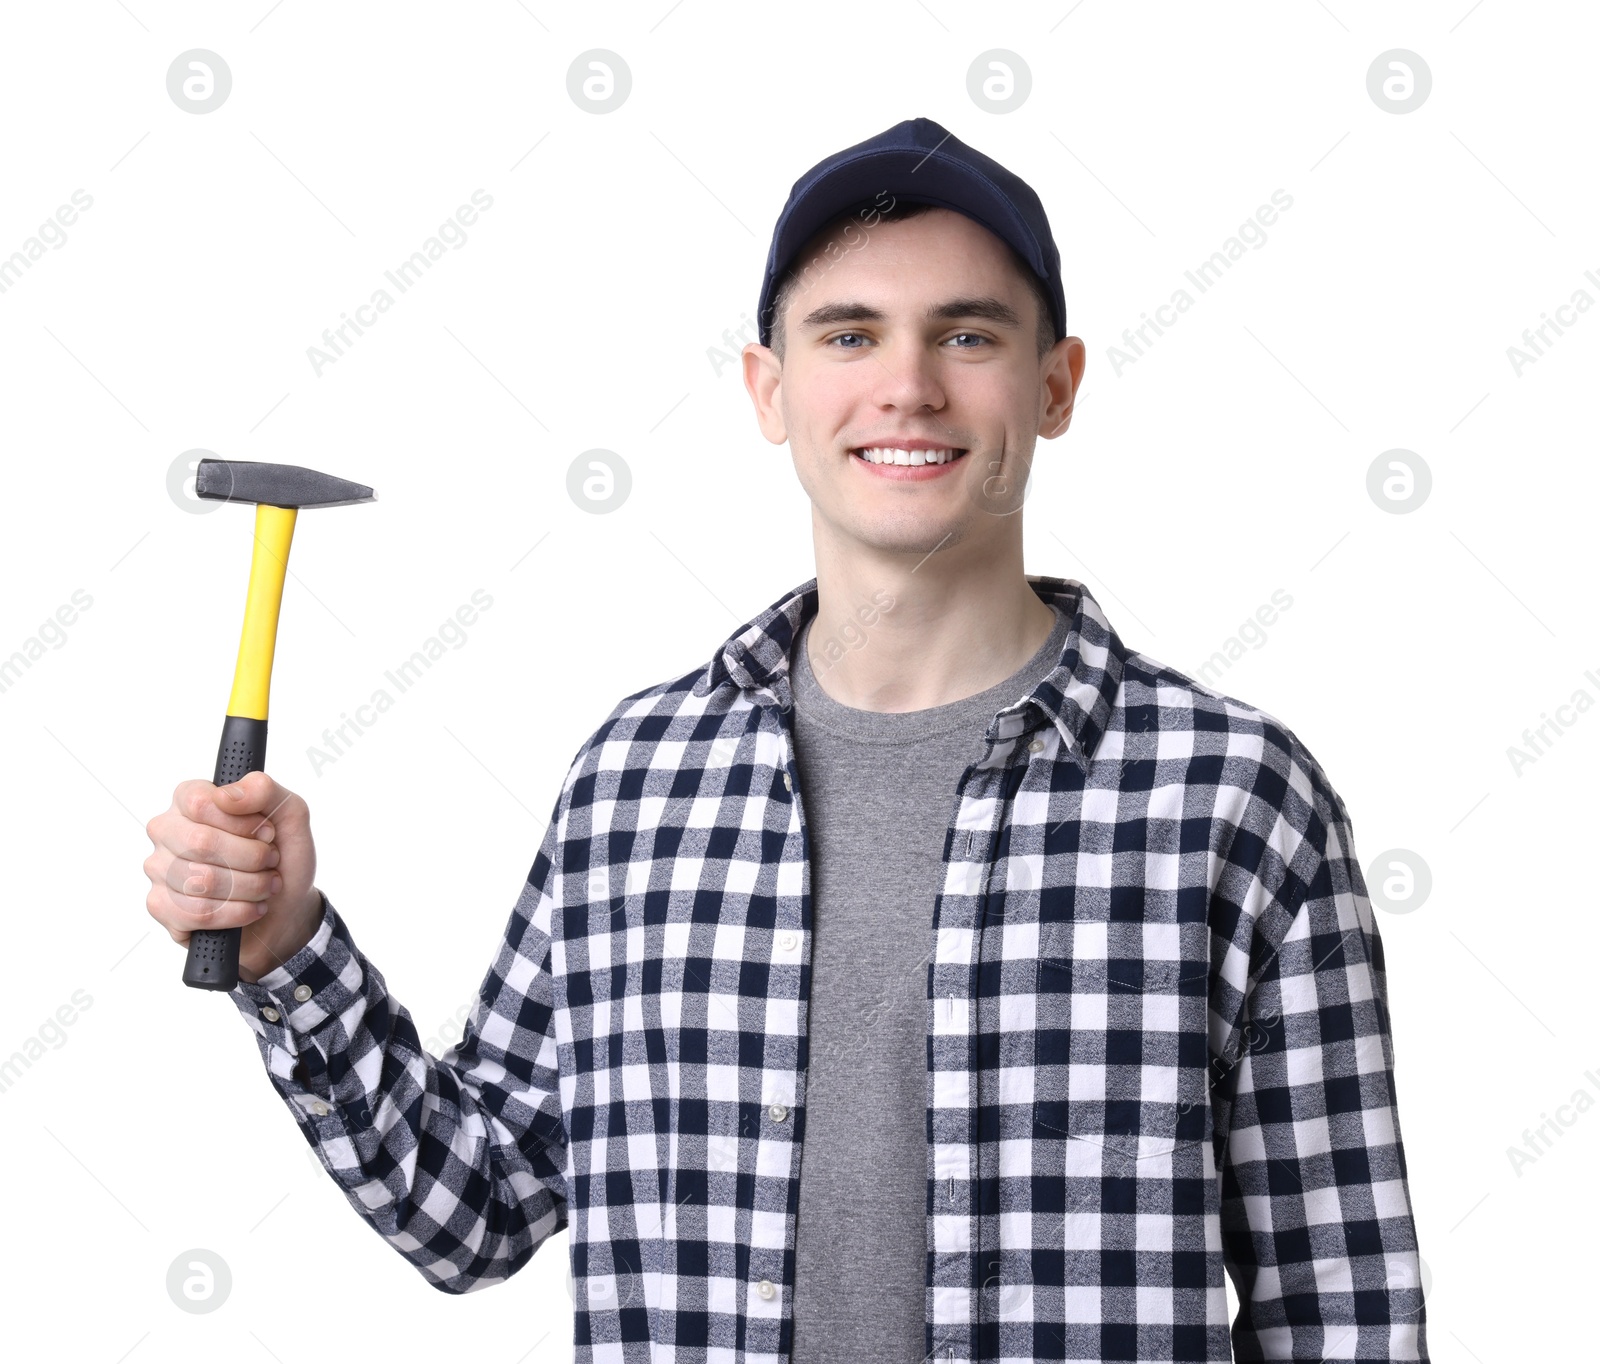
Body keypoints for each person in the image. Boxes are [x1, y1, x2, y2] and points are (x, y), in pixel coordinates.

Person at [143, 117, 1430, 1363]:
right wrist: (287, 948)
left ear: (1056, 384)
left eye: (966, 333)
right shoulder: (635, 783)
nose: (907, 384)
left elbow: (1343, 1304)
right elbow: (471, 1206)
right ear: (770, 387)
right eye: (848, 332)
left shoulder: (1235, 798)